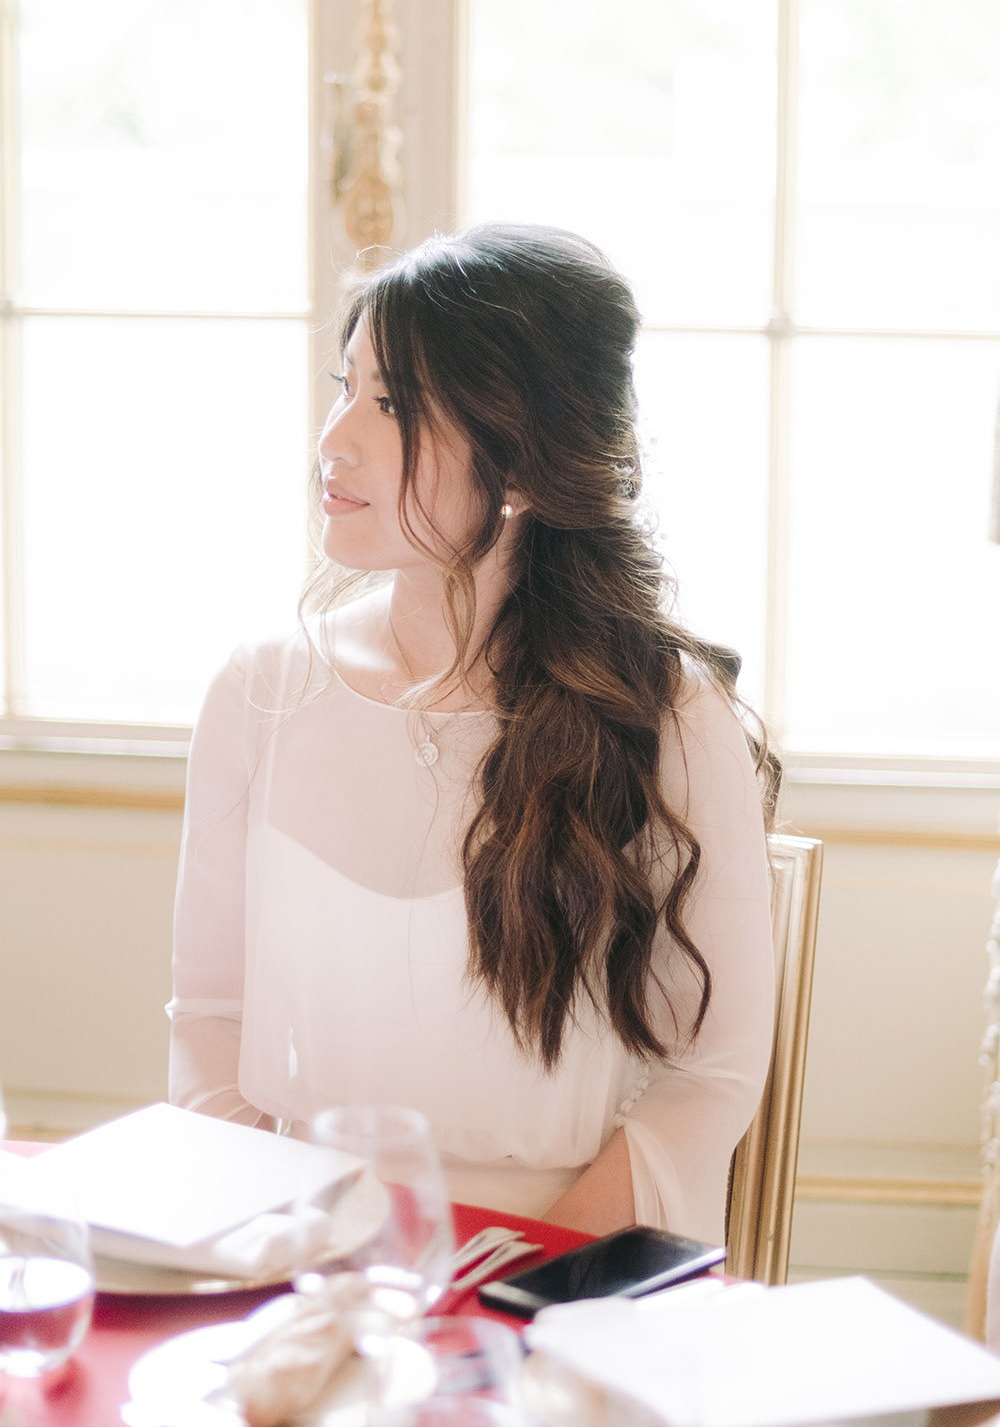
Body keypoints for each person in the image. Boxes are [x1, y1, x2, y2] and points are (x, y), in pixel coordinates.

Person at [167, 223, 778, 1242]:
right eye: (345, 387)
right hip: (303, 1257)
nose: (333, 440)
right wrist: (293, 1247)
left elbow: (708, 1078)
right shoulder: (259, 689)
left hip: (559, 1275)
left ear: (526, 463)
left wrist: (522, 1277)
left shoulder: (662, 713)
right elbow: (208, 1024)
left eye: (394, 405)